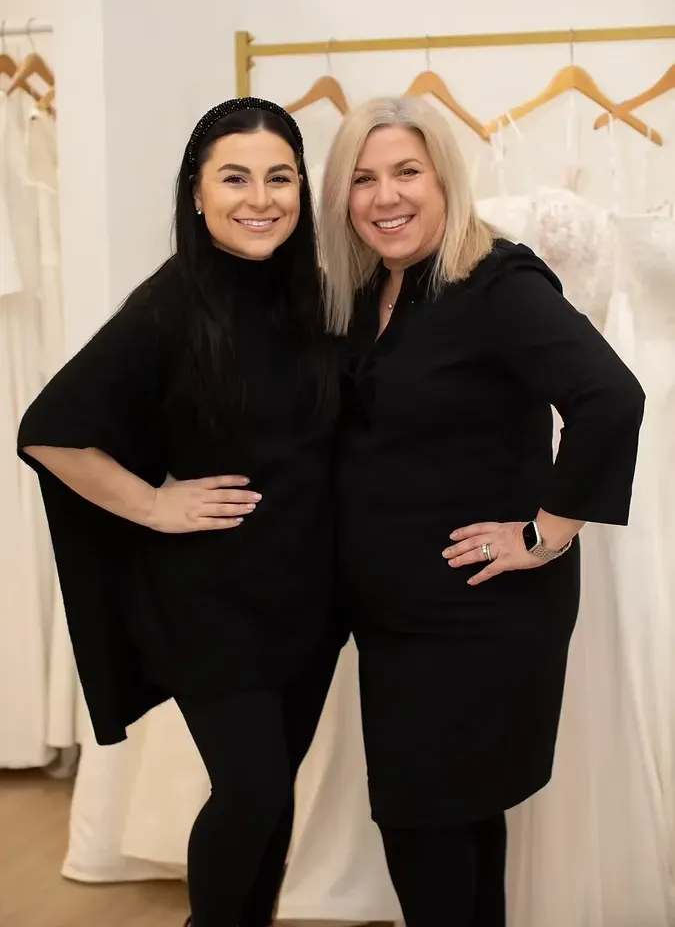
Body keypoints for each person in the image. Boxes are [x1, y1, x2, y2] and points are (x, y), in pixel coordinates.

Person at [320, 95, 645, 927]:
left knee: (421, 818)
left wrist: (545, 535)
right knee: (456, 815)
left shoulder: (497, 282)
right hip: (397, 615)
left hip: (479, 610)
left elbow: (610, 397)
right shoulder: (371, 287)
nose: (385, 196)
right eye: (362, 178)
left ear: (443, 178)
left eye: (406, 172)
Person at [17, 98, 344, 927]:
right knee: (250, 789)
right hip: (209, 603)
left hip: (306, 598)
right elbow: (49, 431)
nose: (259, 198)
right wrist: (154, 504)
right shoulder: (169, 304)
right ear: (196, 194)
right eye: (234, 178)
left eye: (279, 178)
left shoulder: (311, 295)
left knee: (272, 796)